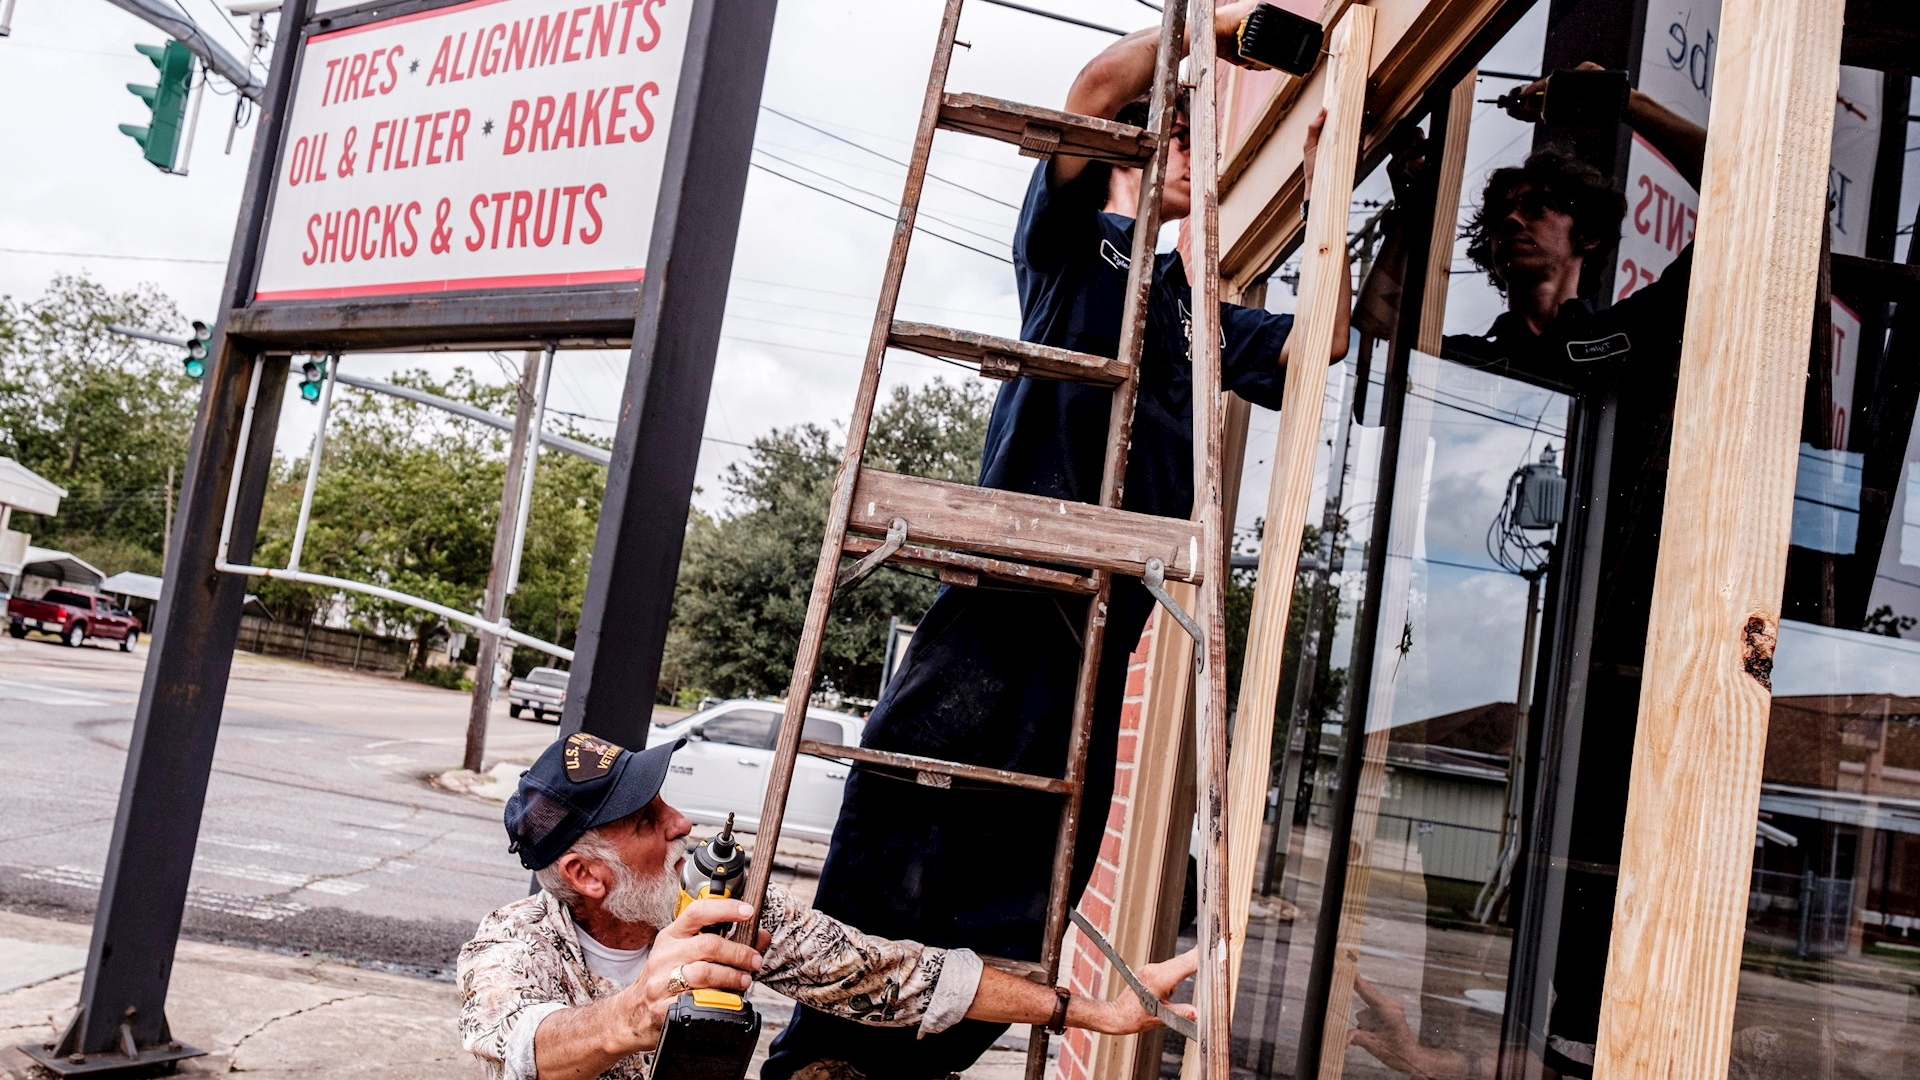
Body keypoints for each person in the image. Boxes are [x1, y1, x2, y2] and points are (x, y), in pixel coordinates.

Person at [766, 4, 1349, 1078]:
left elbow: (1327, 343)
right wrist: (1212, 33)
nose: (1181, 149)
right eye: (1165, 132)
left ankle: (918, 1063)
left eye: (1189, 137)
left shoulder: (1196, 309)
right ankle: (823, 1053)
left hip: (1100, 625)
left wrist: (1330, 199)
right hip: (1003, 604)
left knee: (1035, 878)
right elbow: (1088, 91)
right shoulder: (1072, 255)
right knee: (911, 824)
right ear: (1133, 148)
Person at [1344, 66, 1708, 1080]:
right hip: (1470, 665)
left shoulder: (1628, 341)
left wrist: (1622, 104)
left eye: (1537, 207)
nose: (1515, 224)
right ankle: (1452, 1057)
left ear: (1587, 230)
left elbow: (1741, 196)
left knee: (1583, 876)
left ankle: (1568, 1057)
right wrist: (1416, 194)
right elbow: (1378, 327)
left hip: (1599, 659)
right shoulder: (1469, 353)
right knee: (1459, 886)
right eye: (1501, 212)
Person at [458, 733, 1198, 1080]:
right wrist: (636, 1012)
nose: (682, 821)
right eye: (650, 819)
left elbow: (889, 976)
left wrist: (1092, 1012)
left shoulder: (722, 914)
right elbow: (527, 1044)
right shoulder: (512, 944)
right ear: (586, 875)